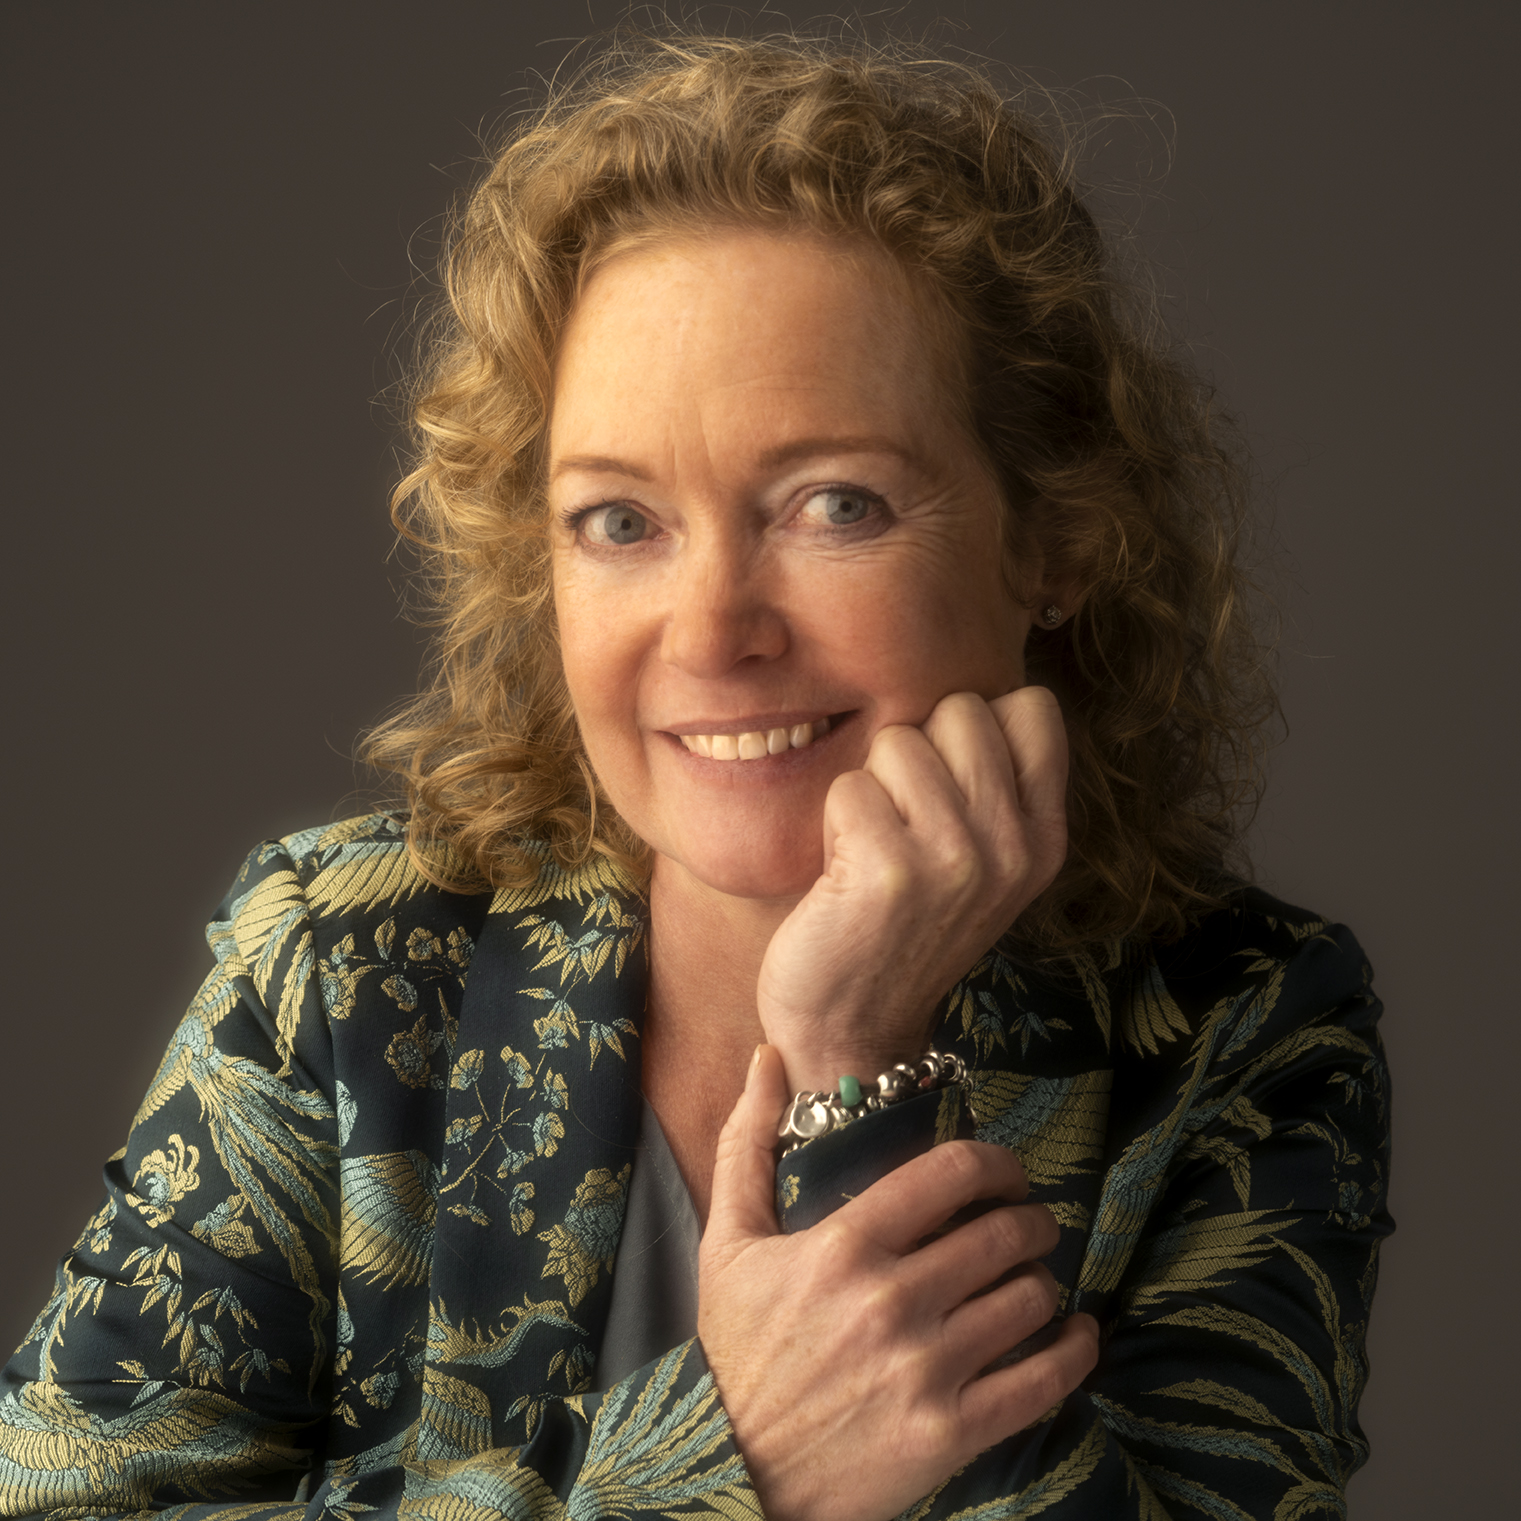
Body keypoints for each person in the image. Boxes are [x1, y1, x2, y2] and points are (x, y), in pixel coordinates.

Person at [0, 33, 1391, 1521]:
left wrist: (863, 1064)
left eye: (831, 504)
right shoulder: (344, 965)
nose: (714, 631)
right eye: (619, 521)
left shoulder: (1242, 1024)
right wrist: (727, 1462)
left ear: (1050, 537)